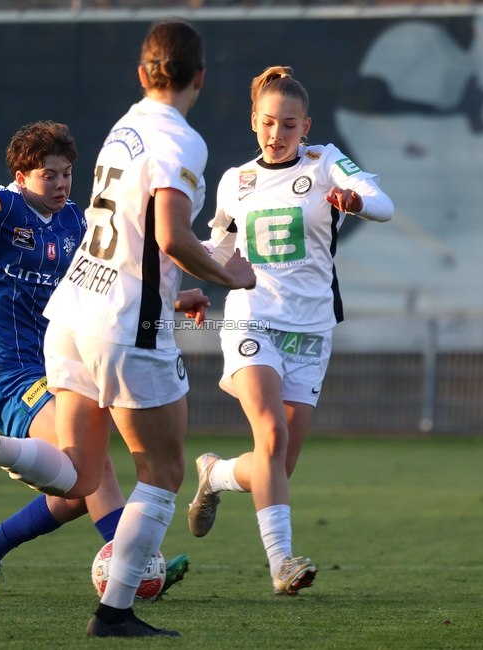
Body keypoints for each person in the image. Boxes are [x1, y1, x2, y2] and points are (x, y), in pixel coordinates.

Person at [41, 20, 255, 637]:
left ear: (142, 73)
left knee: (82, 471)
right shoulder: (181, 140)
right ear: (201, 78)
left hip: (74, 308)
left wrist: (176, 283)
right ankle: (115, 615)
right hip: (126, 327)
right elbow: (170, 236)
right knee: (163, 474)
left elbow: (142, 239)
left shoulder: (124, 125)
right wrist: (229, 276)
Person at [0, 121, 191, 598]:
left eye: (67, 174)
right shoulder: (4, 206)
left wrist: (172, 298)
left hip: (63, 365)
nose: (61, 184)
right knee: (96, 466)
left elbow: (110, 280)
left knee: (78, 490)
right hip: (7, 372)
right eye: (49, 175)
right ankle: (136, 565)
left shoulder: (77, 224)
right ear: (22, 177)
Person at [187, 66, 393, 595]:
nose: (277, 134)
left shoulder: (326, 163)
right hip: (251, 316)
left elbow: (383, 203)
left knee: (277, 463)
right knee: (272, 435)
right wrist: (180, 287)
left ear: (307, 126)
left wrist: (356, 202)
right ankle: (281, 563)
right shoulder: (236, 180)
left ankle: (214, 475)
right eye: (268, 122)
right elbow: (220, 251)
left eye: (289, 124)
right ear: (254, 121)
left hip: (312, 331)